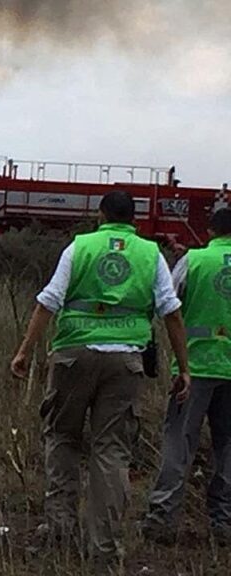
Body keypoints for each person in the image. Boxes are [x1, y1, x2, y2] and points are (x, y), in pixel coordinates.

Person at [9, 191, 190, 563]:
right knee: (111, 450)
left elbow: (48, 301)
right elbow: (171, 312)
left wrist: (25, 350)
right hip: (126, 362)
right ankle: (103, 548)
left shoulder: (79, 248)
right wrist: (183, 367)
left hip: (73, 356)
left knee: (63, 438)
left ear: (101, 215)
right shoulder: (150, 254)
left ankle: (60, 534)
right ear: (133, 220)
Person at [142, 208, 231, 545]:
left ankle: (162, 519)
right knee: (228, 446)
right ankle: (223, 521)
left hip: (195, 367)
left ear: (210, 231)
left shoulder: (194, 261)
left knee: (179, 441)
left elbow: (168, 304)